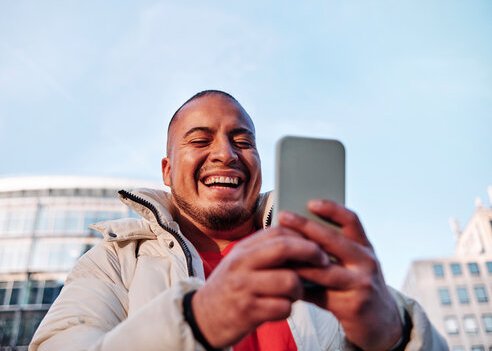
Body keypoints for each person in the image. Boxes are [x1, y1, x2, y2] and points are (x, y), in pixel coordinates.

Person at [30, 90, 446, 350]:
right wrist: (198, 321)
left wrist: (393, 334)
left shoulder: (319, 250)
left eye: (242, 141)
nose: (226, 153)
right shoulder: (114, 262)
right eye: (200, 139)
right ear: (167, 171)